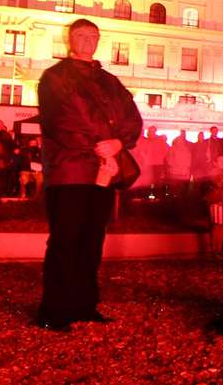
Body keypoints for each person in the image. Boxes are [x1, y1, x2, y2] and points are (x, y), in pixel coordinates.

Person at [34, 19, 142, 331]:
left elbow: (132, 117)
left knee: (92, 241)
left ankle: (83, 304)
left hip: (104, 171)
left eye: (93, 36)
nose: (88, 41)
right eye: (82, 36)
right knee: (66, 240)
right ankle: (54, 310)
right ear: (70, 39)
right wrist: (101, 146)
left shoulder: (110, 81)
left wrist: (119, 142)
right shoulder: (55, 78)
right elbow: (60, 121)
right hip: (70, 171)